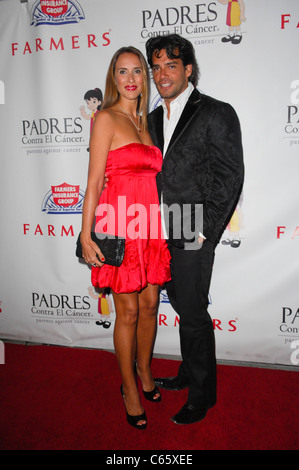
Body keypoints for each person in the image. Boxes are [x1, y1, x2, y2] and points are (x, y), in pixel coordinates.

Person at [146, 34, 244, 425]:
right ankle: (188, 373)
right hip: (157, 229)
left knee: (193, 313)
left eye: (171, 65)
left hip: (192, 225)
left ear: (188, 69)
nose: (161, 74)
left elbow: (229, 175)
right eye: (156, 67)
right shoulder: (152, 118)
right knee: (184, 307)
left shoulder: (217, 112)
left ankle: (203, 395)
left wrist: (205, 231)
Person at [80, 47, 171, 430]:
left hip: (148, 224)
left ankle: (146, 373)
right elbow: (95, 181)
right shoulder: (105, 118)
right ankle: (129, 387)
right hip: (118, 225)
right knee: (128, 312)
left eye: (137, 71)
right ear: (113, 78)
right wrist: (86, 235)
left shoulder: (146, 122)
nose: (131, 78)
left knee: (150, 306)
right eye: (122, 72)